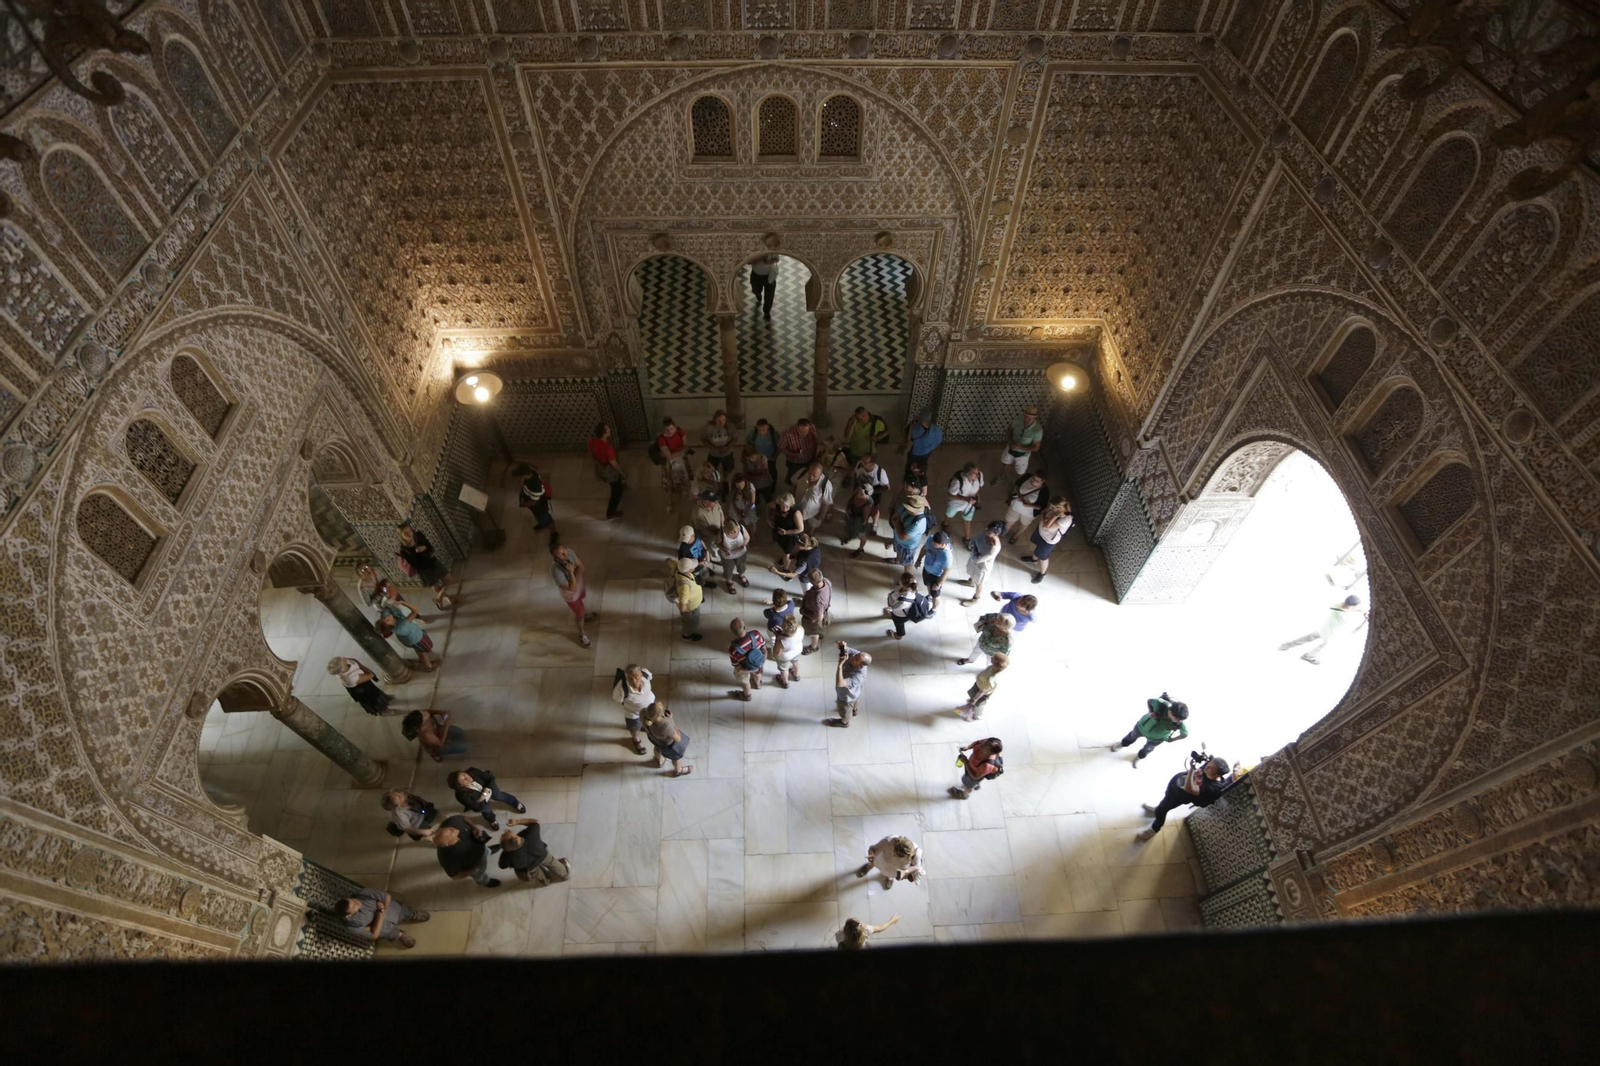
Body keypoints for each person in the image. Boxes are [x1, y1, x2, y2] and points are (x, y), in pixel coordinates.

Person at [1136, 753, 1236, 842]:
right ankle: (1159, 807)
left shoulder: (1212, 788)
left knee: (1162, 810)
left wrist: (1192, 769)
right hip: (1173, 790)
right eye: (1209, 764)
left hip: (1179, 797)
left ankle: (1154, 829)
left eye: (1210, 767)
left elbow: (1189, 788)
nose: (1207, 766)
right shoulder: (1209, 769)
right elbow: (1204, 764)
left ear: (1217, 774)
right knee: (1164, 802)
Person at [1278, 594, 1366, 664]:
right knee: (1320, 648)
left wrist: (1359, 611)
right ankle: (1308, 656)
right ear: (1350, 607)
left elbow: (1347, 609)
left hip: (1324, 629)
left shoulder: (1337, 604)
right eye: (1356, 606)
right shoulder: (1344, 618)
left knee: (1307, 638)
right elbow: (1354, 631)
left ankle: (1286, 646)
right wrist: (1365, 621)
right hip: (1331, 636)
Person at [1110, 693, 1190, 769]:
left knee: (1147, 750)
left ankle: (1139, 757)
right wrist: (1151, 712)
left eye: (1180, 720)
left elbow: (1185, 734)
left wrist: (1172, 739)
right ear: (1171, 712)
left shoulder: (1179, 723)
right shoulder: (1161, 704)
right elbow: (1149, 701)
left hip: (1157, 738)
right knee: (1131, 736)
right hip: (1143, 727)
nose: (1178, 721)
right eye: (1176, 718)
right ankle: (1122, 744)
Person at [334, 889, 429, 949]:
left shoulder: (360, 894)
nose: (356, 901)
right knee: (391, 934)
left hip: (392, 911)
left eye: (353, 900)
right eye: (354, 905)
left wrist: (381, 914)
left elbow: (386, 897)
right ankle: (401, 935)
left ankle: (412, 915)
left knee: (403, 912)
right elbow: (374, 935)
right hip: (384, 928)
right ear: (349, 915)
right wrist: (380, 912)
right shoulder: (351, 926)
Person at [549, 534, 596, 649]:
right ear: (555, 558)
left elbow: (582, 566)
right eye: (561, 554)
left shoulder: (569, 552)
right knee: (579, 615)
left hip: (579, 586)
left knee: (582, 604)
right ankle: (582, 634)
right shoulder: (556, 571)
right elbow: (572, 588)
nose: (566, 554)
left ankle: (584, 614)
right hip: (571, 596)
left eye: (564, 550)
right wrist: (571, 573)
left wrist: (574, 577)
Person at [498, 818, 571, 886]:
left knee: (537, 873)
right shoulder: (531, 834)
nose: (506, 830)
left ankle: (546, 881)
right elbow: (534, 822)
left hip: (530, 866)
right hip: (543, 855)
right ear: (516, 838)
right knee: (552, 862)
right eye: (507, 832)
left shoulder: (507, 855)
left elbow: (502, 865)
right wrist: (517, 822)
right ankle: (565, 874)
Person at [432, 815, 500, 888]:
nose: (452, 829)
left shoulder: (451, 823)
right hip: (474, 864)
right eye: (450, 833)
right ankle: (484, 881)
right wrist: (470, 871)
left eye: (449, 829)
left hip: (479, 846)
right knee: (479, 874)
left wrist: (474, 827)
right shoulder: (448, 858)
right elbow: (455, 876)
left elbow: (464, 818)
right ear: (447, 844)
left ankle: (488, 851)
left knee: (485, 850)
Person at [448, 767, 525, 831]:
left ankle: (515, 803)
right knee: (486, 810)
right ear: (460, 785)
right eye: (463, 780)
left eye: (464, 774)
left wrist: (485, 792)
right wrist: (483, 801)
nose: (467, 777)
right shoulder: (461, 796)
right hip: (482, 803)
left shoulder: (472, 771)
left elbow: (490, 778)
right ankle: (491, 820)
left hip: (489, 788)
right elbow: (476, 808)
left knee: (500, 796)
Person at [397, 522, 453, 610]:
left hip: (433, 562)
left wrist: (424, 548)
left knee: (449, 580)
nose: (409, 534)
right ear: (401, 536)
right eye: (405, 533)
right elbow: (417, 565)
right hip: (425, 570)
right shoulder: (404, 551)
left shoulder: (418, 535)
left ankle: (438, 598)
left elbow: (430, 547)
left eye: (409, 531)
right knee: (436, 587)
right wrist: (419, 554)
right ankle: (445, 597)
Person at [1021, 498, 1072, 585]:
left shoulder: (1066, 519)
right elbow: (1043, 513)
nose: (1050, 508)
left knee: (1043, 557)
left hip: (1048, 540)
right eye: (1050, 506)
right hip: (1040, 532)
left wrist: (1054, 516)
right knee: (1037, 547)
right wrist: (1045, 518)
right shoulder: (1053, 510)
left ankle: (1042, 573)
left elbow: (1046, 526)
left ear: (1059, 508)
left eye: (1052, 507)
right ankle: (1034, 559)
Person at [641, 700, 693, 777]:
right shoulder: (665, 726)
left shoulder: (642, 713)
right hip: (667, 745)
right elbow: (678, 739)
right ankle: (678, 771)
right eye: (658, 704)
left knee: (657, 749)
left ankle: (660, 761)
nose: (659, 702)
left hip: (654, 739)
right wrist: (671, 720)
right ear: (658, 715)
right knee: (676, 758)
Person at [612, 664, 656, 755]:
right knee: (634, 727)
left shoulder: (646, 674)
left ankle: (644, 726)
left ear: (641, 674)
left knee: (649, 720)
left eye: (637, 677)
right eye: (630, 679)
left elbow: (650, 676)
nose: (634, 681)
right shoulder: (621, 688)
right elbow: (617, 699)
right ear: (626, 677)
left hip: (649, 708)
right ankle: (636, 739)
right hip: (633, 713)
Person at [327, 656, 391, 716]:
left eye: (342, 658)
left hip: (363, 680)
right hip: (361, 689)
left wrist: (360, 666)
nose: (345, 659)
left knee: (375, 691)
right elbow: (370, 675)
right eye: (343, 661)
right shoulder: (349, 678)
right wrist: (364, 668)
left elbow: (354, 661)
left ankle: (384, 700)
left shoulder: (345, 662)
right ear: (342, 669)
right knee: (372, 699)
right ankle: (383, 710)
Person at [588, 422, 627, 520]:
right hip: (609, 472)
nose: (610, 429)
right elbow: (614, 464)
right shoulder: (608, 449)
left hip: (600, 468)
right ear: (604, 433)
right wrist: (622, 473)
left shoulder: (592, 441)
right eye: (608, 429)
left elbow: (590, 450)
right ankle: (610, 513)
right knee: (616, 493)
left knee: (615, 485)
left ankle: (620, 486)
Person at [855, 834, 922, 889]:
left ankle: (890, 877)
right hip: (882, 861)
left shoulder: (915, 854)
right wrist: (872, 854)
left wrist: (906, 873)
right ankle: (869, 866)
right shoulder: (888, 841)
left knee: (891, 874)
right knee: (874, 862)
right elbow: (873, 848)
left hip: (894, 871)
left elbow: (916, 867)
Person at [960, 521, 1004, 604]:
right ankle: (971, 581)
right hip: (975, 559)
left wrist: (974, 549)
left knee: (979, 584)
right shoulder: (985, 534)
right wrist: (974, 549)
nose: (986, 531)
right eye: (987, 529)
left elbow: (978, 559)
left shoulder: (993, 549)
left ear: (996, 534)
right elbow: (974, 540)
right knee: (971, 572)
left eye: (989, 531)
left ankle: (976, 599)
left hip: (982, 567)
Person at [944, 461, 986, 548]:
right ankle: (945, 524)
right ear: (968, 474)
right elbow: (950, 494)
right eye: (975, 473)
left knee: (967, 520)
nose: (978, 475)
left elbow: (980, 487)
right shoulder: (957, 481)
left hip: (970, 504)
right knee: (949, 514)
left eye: (978, 472)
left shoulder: (980, 475)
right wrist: (965, 499)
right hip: (957, 503)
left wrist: (978, 496)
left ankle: (967, 539)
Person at [831, 641, 872, 728]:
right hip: (855, 692)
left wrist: (840, 665)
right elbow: (843, 648)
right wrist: (841, 645)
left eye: (856, 659)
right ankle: (854, 710)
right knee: (856, 699)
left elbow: (840, 683)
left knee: (845, 711)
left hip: (846, 696)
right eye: (856, 656)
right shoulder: (857, 655)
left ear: (860, 666)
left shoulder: (859, 676)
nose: (853, 657)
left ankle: (844, 722)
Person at [958, 652, 1009, 721]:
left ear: (996, 665)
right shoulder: (992, 667)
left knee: (979, 705)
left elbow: (982, 691)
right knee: (974, 700)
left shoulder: (991, 680)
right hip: (979, 686)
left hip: (982, 694)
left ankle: (977, 716)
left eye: (993, 658)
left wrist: (974, 699)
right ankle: (973, 706)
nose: (991, 658)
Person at [401, 709, 467, 761]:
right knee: (463, 747)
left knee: (458, 731)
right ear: (422, 723)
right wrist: (446, 725)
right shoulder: (426, 735)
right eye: (424, 715)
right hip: (436, 744)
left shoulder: (419, 715)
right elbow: (440, 744)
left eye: (422, 711)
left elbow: (428, 711)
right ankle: (434, 755)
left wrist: (440, 712)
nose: (425, 712)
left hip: (438, 733)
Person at [1002, 471, 1048, 545]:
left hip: (1028, 513)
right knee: (1009, 521)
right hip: (1015, 506)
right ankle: (1004, 532)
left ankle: (1015, 536)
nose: (1033, 481)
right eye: (1033, 478)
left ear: (1043, 481)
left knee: (1024, 524)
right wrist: (1019, 494)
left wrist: (1030, 505)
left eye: (1036, 481)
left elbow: (1041, 507)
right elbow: (1017, 484)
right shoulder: (1027, 476)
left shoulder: (1044, 492)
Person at [728, 617, 768, 701]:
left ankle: (747, 695)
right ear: (744, 627)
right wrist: (762, 662)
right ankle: (758, 685)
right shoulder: (756, 634)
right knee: (758, 673)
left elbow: (737, 667)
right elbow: (764, 648)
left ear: (733, 633)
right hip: (758, 663)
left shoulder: (733, 649)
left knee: (745, 682)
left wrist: (749, 670)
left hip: (745, 667)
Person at [656, 417, 691, 510]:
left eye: (671, 429)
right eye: (667, 430)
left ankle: (682, 489)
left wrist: (675, 452)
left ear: (674, 426)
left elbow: (686, 446)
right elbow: (669, 456)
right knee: (670, 481)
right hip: (671, 463)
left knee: (683, 475)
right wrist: (681, 451)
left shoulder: (679, 431)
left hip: (681, 459)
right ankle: (669, 502)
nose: (670, 431)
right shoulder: (662, 439)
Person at [890, 491, 930, 570]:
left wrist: (897, 522)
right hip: (897, 539)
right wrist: (898, 524)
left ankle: (907, 578)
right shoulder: (907, 505)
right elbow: (893, 519)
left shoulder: (919, 523)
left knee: (907, 563)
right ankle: (897, 560)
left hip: (908, 547)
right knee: (898, 551)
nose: (905, 508)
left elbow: (902, 536)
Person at [1001, 405, 1044, 476]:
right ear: (1024, 415)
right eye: (1027, 416)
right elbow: (1009, 430)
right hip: (1010, 447)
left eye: (1031, 417)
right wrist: (1011, 442)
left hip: (1023, 454)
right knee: (1005, 463)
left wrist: (1020, 447)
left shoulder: (1037, 430)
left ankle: (1017, 484)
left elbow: (1036, 448)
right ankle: (1001, 476)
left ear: (1035, 417)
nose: (1028, 418)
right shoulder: (1018, 420)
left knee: (1020, 472)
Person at [915, 529, 954, 607]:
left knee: (936, 595)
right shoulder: (931, 539)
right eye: (933, 541)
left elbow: (946, 572)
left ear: (942, 544)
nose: (932, 544)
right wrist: (919, 559)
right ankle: (929, 596)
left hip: (936, 576)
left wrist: (938, 584)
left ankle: (934, 609)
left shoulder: (947, 557)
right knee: (928, 585)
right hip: (926, 570)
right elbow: (924, 549)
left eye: (935, 544)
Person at [668, 557, 703, 642]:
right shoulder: (684, 587)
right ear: (688, 570)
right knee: (692, 623)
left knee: (686, 618)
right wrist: (688, 611)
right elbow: (683, 608)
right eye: (692, 566)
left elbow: (667, 560)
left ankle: (685, 619)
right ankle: (686, 634)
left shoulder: (677, 566)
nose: (694, 567)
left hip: (690, 608)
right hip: (691, 609)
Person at [791, 461, 835, 525]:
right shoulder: (801, 473)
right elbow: (793, 486)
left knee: (813, 525)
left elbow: (827, 503)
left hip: (813, 513)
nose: (811, 477)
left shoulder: (826, 485)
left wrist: (820, 516)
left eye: (814, 475)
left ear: (820, 474)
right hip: (796, 507)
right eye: (810, 474)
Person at [903, 410, 943, 477]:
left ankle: (908, 476)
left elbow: (907, 433)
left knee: (910, 464)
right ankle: (921, 474)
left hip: (915, 452)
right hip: (927, 452)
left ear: (920, 417)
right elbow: (939, 440)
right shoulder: (936, 430)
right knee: (922, 464)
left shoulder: (916, 430)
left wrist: (913, 421)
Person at [800, 569, 832, 654]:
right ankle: (821, 632)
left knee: (814, 633)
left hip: (813, 618)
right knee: (820, 629)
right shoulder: (826, 581)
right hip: (822, 610)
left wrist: (804, 612)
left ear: (811, 582)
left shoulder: (818, 599)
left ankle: (813, 647)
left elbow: (819, 617)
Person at [779, 418, 819, 484]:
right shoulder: (787, 434)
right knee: (794, 479)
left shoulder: (812, 428)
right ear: (797, 427)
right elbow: (781, 448)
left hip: (810, 459)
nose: (803, 435)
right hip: (795, 463)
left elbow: (818, 438)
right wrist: (794, 455)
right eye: (801, 432)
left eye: (806, 433)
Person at [518, 466, 556, 536]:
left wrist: (524, 504)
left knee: (547, 519)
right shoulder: (531, 474)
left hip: (539, 506)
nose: (521, 478)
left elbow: (533, 502)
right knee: (539, 517)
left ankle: (553, 533)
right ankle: (542, 523)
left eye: (521, 476)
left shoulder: (535, 486)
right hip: (534, 505)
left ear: (526, 475)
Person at [884, 571, 921, 640]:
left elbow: (892, 606)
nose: (899, 580)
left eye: (900, 580)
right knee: (895, 616)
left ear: (904, 584)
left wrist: (890, 595)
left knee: (899, 625)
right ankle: (891, 614)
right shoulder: (913, 586)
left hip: (900, 616)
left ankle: (899, 635)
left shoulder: (902, 600)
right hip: (905, 609)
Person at [842, 482, 876, 558]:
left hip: (859, 520)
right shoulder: (857, 492)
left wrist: (861, 525)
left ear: (867, 495)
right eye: (860, 492)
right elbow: (849, 502)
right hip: (851, 516)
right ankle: (850, 536)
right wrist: (848, 509)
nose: (859, 494)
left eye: (862, 494)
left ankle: (860, 549)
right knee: (849, 528)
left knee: (861, 535)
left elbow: (865, 517)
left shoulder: (868, 503)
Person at [717, 518, 750, 594]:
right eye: (731, 532)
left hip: (741, 554)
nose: (734, 533)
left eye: (735, 531)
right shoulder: (721, 533)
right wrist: (724, 550)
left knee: (741, 566)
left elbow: (747, 538)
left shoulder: (741, 528)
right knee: (728, 569)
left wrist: (742, 546)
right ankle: (729, 581)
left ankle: (741, 575)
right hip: (727, 556)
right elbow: (717, 543)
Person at [771, 614, 803, 689]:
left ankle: (785, 682)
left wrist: (777, 637)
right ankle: (796, 675)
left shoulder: (781, 640)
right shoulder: (800, 629)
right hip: (797, 650)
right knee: (796, 662)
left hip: (785, 657)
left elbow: (777, 653)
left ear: (783, 628)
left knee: (784, 669)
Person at [837, 914, 901, 950]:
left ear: (845, 931)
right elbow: (881, 927)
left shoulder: (840, 935)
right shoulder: (866, 930)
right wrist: (892, 921)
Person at [677, 524, 713, 590]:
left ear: (693, 535)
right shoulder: (683, 549)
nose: (686, 541)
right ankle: (704, 584)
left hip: (702, 559)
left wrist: (706, 550)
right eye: (684, 540)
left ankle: (706, 572)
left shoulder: (698, 534)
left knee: (705, 571)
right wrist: (700, 563)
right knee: (699, 579)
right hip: (694, 567)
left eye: (687, 539)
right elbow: (684, 566)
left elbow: (701, 541)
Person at [703, 409, 736, 474]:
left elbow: (735, 438)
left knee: (728, 469)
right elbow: (703, 439)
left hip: (727, 453)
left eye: (723, 420)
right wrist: (713, 447)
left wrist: (727, 447)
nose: (721, 423)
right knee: (712, 470)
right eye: (719, 421)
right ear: (715, 419)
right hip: (714, 454)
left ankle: (725, 480)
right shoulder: (708, 428)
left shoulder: (730, 427)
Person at [750, 253, 779, 318]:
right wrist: (759, 259)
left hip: (769, 275)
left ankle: (766, 311)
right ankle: (758, 294)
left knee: (769, 295)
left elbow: (777, 259)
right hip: (756, 275)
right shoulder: (755, 249)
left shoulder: (772, 248)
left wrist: (771, 261)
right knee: (755, 289)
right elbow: (749, 262)